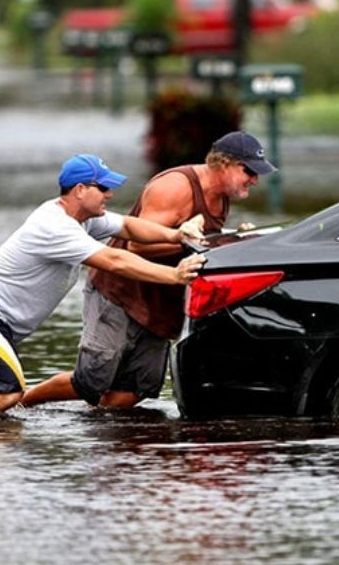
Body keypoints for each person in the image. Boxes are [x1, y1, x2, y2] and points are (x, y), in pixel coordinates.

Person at [0, 154, 206, 413]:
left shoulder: (82, 218)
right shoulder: (55, 227)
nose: (110, 194)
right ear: (80, 190)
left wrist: (176, 235)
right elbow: (115, 261)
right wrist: (174, 275)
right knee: (8, 391)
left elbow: (130, 227)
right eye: (103, 188)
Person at [21, 131, 276, 409]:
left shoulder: (222, 195)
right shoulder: (175, 187)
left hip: (159, 300)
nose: (255, 179)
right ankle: (23, 401)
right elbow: (137, 247)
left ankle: (101, 442)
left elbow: (198, 243)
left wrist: (231, 239)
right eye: (248, 171)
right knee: (91, 381)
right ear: (224, 164)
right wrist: (199, 243)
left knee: (135, 390)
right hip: (120, 292)